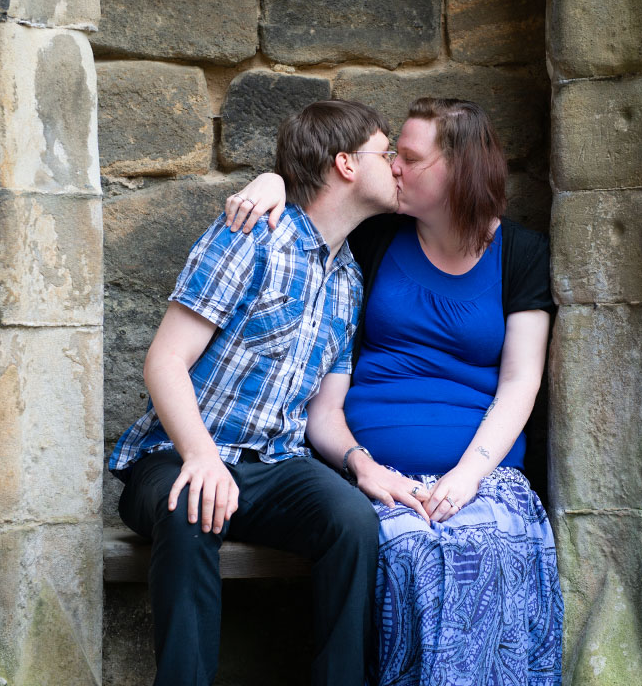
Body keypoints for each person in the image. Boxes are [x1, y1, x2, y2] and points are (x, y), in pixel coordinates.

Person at [226, 97, 563, 685]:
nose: (394, 168)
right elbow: (318, 201)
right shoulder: (377, 238)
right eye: (393, 154)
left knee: (495, 548)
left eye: (409, 157)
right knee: (408, 552)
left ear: (457, 169)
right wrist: (272, 179)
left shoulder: (522, 255)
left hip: (481, 476)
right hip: (375, 474)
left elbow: (520, 382)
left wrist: (466, 477)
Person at [108, 99, 431, 686]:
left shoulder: (349, 280)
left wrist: (363, 465)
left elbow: (325, 414)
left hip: (275, 467)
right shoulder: (251, 237)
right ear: (346, 165)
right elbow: (164, 362)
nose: (398, 166)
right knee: (190, 506)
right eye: (387, 154)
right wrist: (203, 457)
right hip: (176, 456)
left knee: (354, 521)